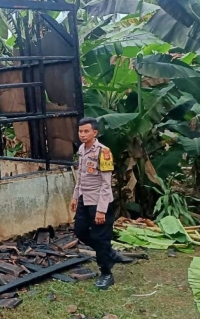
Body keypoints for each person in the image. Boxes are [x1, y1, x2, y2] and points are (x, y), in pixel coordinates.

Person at [70, 117, 132, 290]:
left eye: (86, 131)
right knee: (80, 231)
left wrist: (101, 210)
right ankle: (109, 253)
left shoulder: (103, 152)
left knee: (100, 237)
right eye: (80, 131)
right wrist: (75, 197)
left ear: (95, 132)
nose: (82, 135)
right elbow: (81, 177)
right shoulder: (82, 149)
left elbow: (106, 183)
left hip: (99, 201)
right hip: (84, 198)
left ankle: (107, 273)